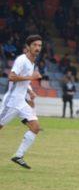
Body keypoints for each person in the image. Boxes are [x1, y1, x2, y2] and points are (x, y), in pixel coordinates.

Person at [0, 35, 43, 169]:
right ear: (28, 46)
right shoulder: (22, 60)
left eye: (39, 45)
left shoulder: (31, 62)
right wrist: (31, 77)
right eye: (35, 45)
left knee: (35, 127)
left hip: (22, 102)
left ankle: (18, 156)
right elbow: (12, 77)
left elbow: (24, 80)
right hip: (11, 102)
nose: (37, 48)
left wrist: (29, 90)